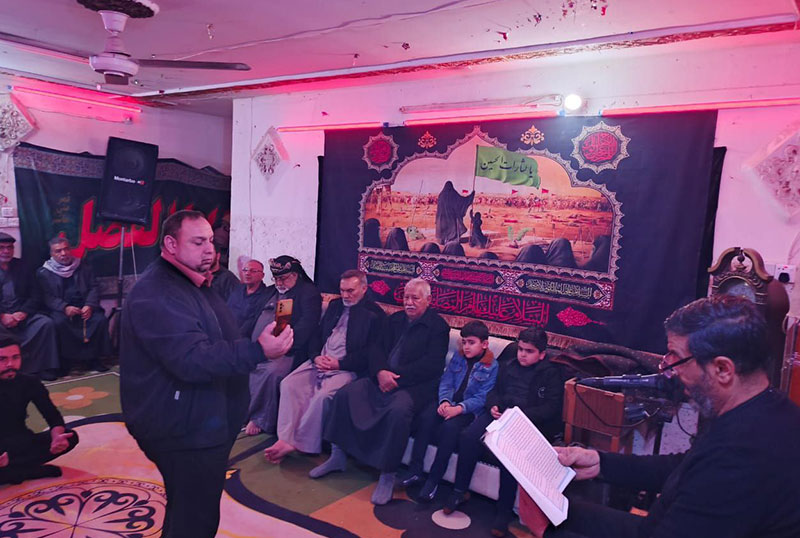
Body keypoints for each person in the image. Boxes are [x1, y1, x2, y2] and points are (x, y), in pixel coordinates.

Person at [549, 295, 800, 538]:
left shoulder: (742, 457)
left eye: (677, 358)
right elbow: (684, 468)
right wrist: (601, 463)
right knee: (563, 513)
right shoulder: (766, 408)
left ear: (722, 369)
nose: (669, 370)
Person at [120, 210, 294, 538]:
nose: (209, 250)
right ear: (171, 244)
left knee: (189, 511)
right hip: (182, 429)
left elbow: (216, 339)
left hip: (200, 422)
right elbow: (191, 359)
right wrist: (257, 351)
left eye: (211, 241)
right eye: (198, 242)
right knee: (195, 521)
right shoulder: (157, 293)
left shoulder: (194, 284)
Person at [311, 277, 449, 505]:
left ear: (428, 300)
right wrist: (380, 372)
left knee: (398, 412)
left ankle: (387, 474)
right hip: (381, 377)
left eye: (415, 298)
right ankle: (337, 456)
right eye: (406, 297)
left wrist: (395, 378)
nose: (409, 302)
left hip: (414, 387)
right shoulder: (394, 320)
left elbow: (431, 365)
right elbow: (375, 350)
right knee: (346, 394)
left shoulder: (438, 327)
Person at [444, 326, 564, 537]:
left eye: (529, 351)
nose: (523, 355)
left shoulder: (551, 375)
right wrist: (493, 405)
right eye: (521, 349)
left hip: (524, 422)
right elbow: (493, 392)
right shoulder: (508, 365)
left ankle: (504, 511)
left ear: (541, 354)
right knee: (469, 437)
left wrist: (517, 414)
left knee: (509, 454)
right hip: (499, 415)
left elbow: (550, 409)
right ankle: (459, 491)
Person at [264, 269, 385, 463]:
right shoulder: (335, 306)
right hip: (320, 361)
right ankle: (284, 438)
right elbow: (317, 335)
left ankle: (301, 444)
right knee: (289, 384)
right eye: (342, 290)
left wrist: (339, 363)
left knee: (323, 396)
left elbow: (372, 353)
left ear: (364, 289)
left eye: (350, 291)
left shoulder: (375, 314)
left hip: (346, 368)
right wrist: (315, 356)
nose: (345, 295)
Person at [400, 320, 498, 502]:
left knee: (449, 429)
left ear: (484, 344)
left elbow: (482, 397)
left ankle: (434, 479)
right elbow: (446, 381)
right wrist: (445, 401)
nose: (466, 347)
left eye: (471, 342)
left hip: (468, 411)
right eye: (464, 342)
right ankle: (415, 470)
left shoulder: (492, 366)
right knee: (426, 418)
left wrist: (459, 409)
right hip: (449, 402)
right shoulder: (459, 357)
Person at [245, 255, 321, 436]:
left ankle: (260, 418)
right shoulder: (270, 291)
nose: (279, 283)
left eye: (283, 278)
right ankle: (243, 412)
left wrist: (281, 346)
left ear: (295, 275)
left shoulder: (308, 294)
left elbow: (306, 326)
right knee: (241, 360)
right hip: (259, 345)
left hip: (288, 349)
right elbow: (252, 317)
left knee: (272, 372)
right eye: (276, 278)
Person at [0, 336, 78, 485]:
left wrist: (57, 437)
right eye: (2, 359)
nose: (10, 364)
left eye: (15, 357)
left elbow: (53, 416)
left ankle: (14, 471)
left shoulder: (29, 382)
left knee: (70, 437)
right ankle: (28, 471)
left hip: (21, 441)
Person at [37, 236, 109, 374]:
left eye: (66, 249)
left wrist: (89, 305)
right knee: (59, 323)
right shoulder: (44, 272)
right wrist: (64, 307)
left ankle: (93, 359)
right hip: (61, 310)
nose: (64, 253)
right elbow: (47, 296)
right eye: (58, 251)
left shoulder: (83, 266)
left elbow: (94, 287)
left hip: (84, 306)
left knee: (99, 320)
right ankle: (66, 361)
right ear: (51, 254)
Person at [0, 233, 59, 380]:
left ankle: (44, 367)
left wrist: (24, 312)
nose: (6, 251)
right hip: (2, 319)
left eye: (9, 247)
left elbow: (36, 294)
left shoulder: (23, 266)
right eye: (1, 248)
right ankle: (9, 370)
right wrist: (2, 316)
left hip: (22, 315)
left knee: (45, 323)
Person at [227, 259, 270, 337]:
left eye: (253, 271)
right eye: (245, 270)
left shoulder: (266, 296)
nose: (247, 273)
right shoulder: (237, 290)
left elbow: (251, 324)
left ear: (262, 275)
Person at [435, 180, 474, 245]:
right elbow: (462, 201)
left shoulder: (441, 195)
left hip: (441, 218)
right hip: (451, 217)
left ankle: (443, 240)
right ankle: (450, 240)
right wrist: (471, 196)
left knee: (444, 229)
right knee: (452, 229)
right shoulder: (453, 194)